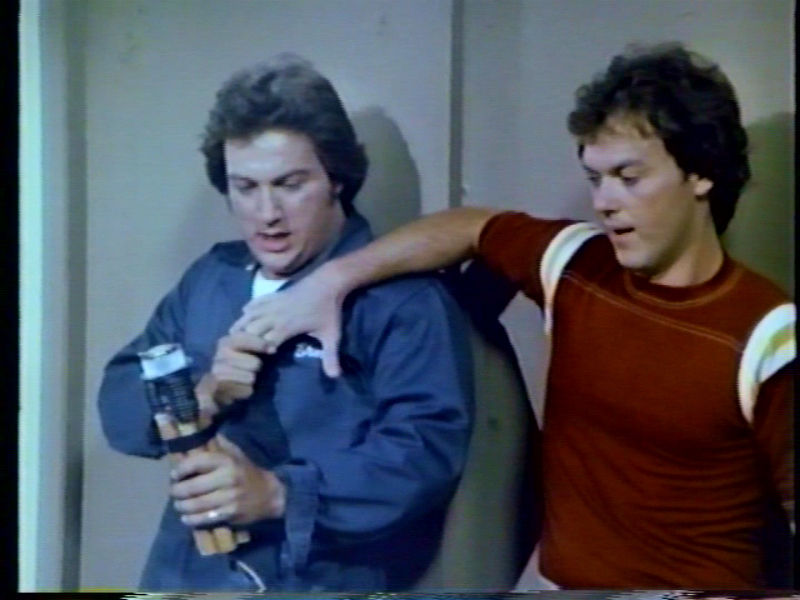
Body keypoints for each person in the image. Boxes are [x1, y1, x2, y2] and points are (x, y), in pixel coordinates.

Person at [230, 43, 795, 590]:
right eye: (595, 179)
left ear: (700, 172)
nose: (604, 201)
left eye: (629, 177)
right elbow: (472, 227)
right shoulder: (577, 264)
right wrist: (330, 282)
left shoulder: (768, 336)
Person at [97, 55, 473, 592]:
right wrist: (203, 395)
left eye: (290, 184)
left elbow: (425, 455)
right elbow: (118, 404)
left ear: (336, 179)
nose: (267, 213)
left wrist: (278, 494)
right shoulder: (211, 278)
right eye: (245, 188)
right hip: (185, 572)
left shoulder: (403, 301)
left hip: (321, 578)